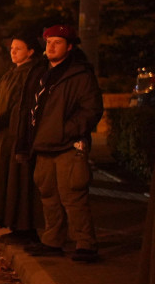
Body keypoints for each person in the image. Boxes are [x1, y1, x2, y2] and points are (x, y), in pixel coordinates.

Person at [19, 24, 104, 262]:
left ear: (69, 46)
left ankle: (85, 243)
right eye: (48, 42)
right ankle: (53, 240)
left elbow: (92, 109)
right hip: (43, 144)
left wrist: (67, 131)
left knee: (73, 195)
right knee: (49, 195)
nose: (51, 47)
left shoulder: (80, 75)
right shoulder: (41, 73)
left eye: (57, 42)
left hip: (68, 146)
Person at [0, 34, 41, 242]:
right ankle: (9, 222)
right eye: (12, 48)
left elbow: (19, 105)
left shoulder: (30, 74)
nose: (13, 52)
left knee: (17, 180)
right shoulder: (12, 72)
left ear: (30, 51)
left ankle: (22, 227)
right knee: (4, 177)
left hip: (14, 135)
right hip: (2, 136)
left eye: (19, 48)